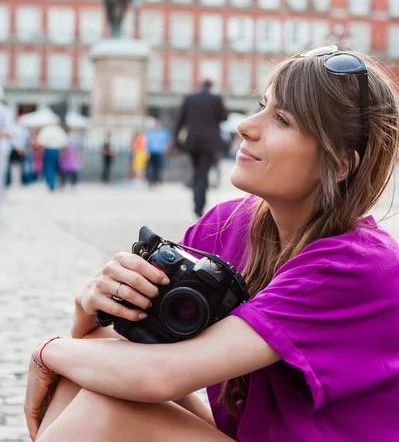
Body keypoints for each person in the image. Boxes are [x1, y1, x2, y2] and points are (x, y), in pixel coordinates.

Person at [25, 45, 399, 442]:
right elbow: (115, 352)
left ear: (341, 164)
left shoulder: (359, 267)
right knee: (90, 375)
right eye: (261, 105)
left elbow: (159, 378)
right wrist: (92, 306)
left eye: (282, 120)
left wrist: (47, 351)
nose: (246, 126)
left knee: (105, 404)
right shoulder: (224, 227)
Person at [175, 78, 228, 218]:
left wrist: (177, 142)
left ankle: (197, 203)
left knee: (197, 171)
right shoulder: (216, 99)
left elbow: (180, 121)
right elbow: (224, 117)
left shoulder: (190, 99)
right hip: (210, 142)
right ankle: (199, 205)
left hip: (193, 141)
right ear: (211, 86)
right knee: (203, 172)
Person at [37, 123, 68, 191]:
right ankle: (53, 182)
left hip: (48, 149)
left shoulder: (45, 130)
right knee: (55, 167)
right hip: (56, 150)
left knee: (48, 167)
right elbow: (64, 142)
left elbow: (40, 141)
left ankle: (51, 183)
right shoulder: (59, 130)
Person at [145, 119, 171, 186]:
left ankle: (157, 180)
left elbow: (167, 142)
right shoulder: (150, 132)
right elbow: (146, 142)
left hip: (160, 152)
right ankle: (151, 180)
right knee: (151, 167)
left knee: (158, 167)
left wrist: (166, 149)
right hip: (151, 152)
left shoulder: (163, 132)